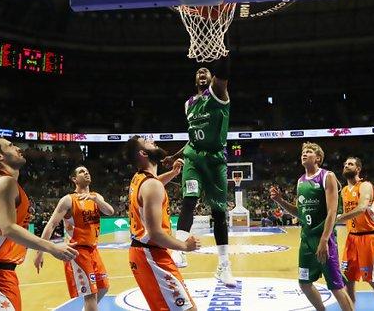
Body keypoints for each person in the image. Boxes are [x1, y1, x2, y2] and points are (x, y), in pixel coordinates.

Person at [0, 137, 78, 311]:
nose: (17, 148)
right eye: (10, 145)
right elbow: (8, 228)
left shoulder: (1, 183)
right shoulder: (4, 182)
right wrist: (52, 247)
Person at [161, 52, 235, 286]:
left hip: (215, 161)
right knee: (189, 199)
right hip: (194, 158)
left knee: (219, 213)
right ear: (195, 80)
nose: (201, 72)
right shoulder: (188, 104)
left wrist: (223, 54)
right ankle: (180, 249)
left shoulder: (218, 94)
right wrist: (175, 155)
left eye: (206, 70)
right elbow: (192, 138)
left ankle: (224, 265)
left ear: (212, 78)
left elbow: (223, 72)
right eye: (198, 71)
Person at [269, 142, 354, 311]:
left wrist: (324, 240)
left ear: (318, 158)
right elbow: (299, 212)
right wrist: (280, 200)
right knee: (305, 283)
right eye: (303, 152)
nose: (304, 154)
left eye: (309, 152)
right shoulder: (300, 181)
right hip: (306, 239)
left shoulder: (326, 176)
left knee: (336, 286)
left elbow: (332, 212)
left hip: (324, 238)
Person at [126, 135, 200, 310]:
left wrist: (173, 173)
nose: (153, 141)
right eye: (148, 142)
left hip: (146, 253)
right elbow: (155, 233)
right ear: (143, 153)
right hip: (151, 255)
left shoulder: (140, 178)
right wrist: (184, 246)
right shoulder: (151, 185)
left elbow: (154, 184)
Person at [33, 166, 115, 311]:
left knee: (104, 288)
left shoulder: (96, 197)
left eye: (87, 171)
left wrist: (96, 199)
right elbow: (51, 225)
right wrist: (39, 252)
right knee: (90, 294)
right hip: (76, 251)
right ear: (74, 179)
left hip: (93, 249)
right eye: (81, 172)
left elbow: (110, 211)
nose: (86, 173)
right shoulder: (68, 200)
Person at [336, 157, 374, 311]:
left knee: (373, 280)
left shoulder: (365, 185)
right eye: (345, 164)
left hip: (369, 236)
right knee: (348, 280)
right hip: (351, 238)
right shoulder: (344, 191)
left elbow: (362, 208)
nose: (347, 166)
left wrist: (338, 218)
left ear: (358, 169)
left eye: (350, 164)